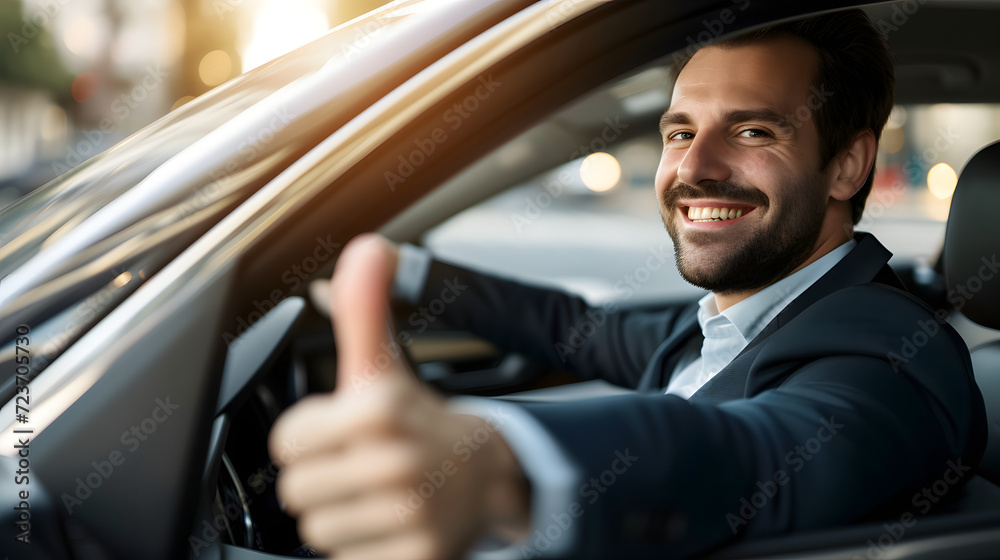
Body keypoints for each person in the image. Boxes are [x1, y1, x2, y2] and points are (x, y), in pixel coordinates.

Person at [267, 9, 987, 560]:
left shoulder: (895, 354)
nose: (694, 167)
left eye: (754, 132)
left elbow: (754, 455)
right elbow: (572, 327)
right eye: (679, 132)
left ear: (847, 167)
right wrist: (404, 269)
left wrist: (498, 466)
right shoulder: (731, 323)